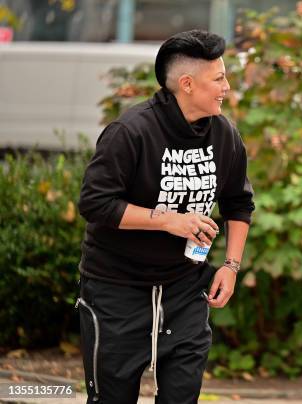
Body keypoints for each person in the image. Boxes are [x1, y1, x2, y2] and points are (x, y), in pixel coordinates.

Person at [77, 30, 254, 404]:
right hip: (117, 290)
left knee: (181, 397)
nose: (227, 86)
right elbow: (95, 202)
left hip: (185, 289)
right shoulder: (131, 131)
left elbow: (238, 203)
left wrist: (231, 266)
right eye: (219, 78)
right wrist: (168, 219)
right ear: (187, 84)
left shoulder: (225, 135)